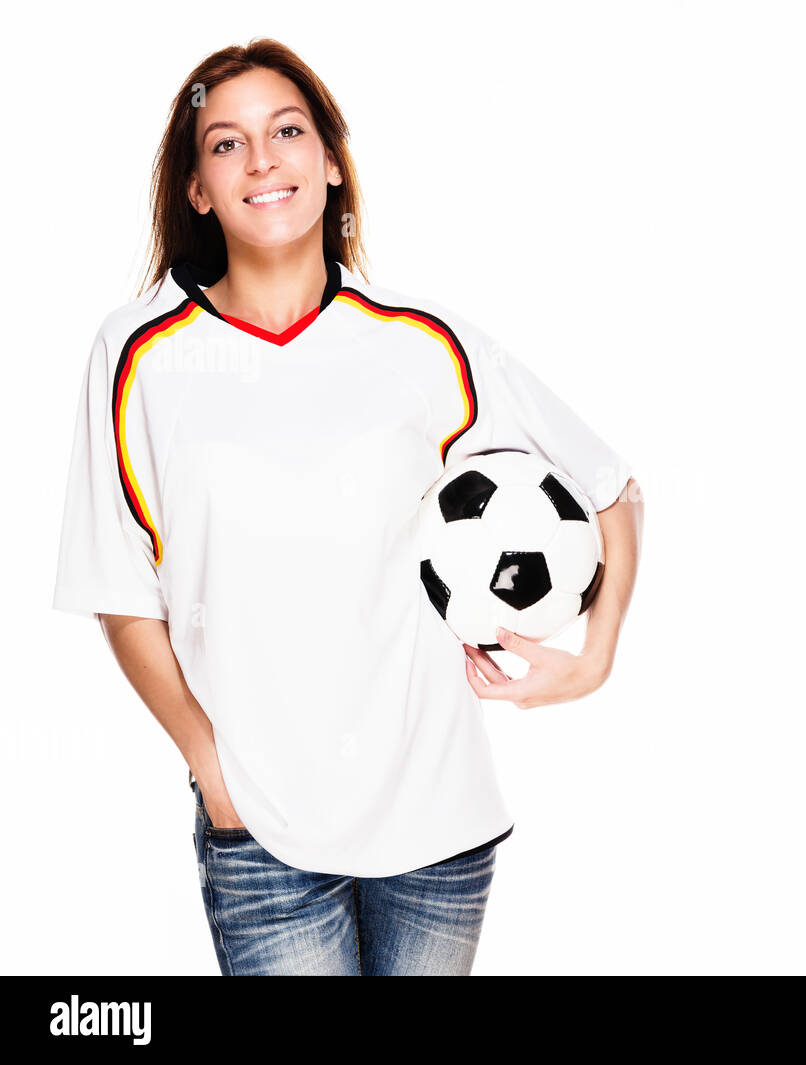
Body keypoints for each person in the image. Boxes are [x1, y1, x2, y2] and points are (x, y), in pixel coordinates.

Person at [50, 38, 643, 976]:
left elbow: (611, 487)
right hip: (263, 830)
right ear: (198, 188)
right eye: (226, 143)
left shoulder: (422, 341)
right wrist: (211, 767)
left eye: (287, 130)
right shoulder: (139, 357)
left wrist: (591, 660)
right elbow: (122, 590)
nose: (263, 160)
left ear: (331, 160)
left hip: (439, 822)